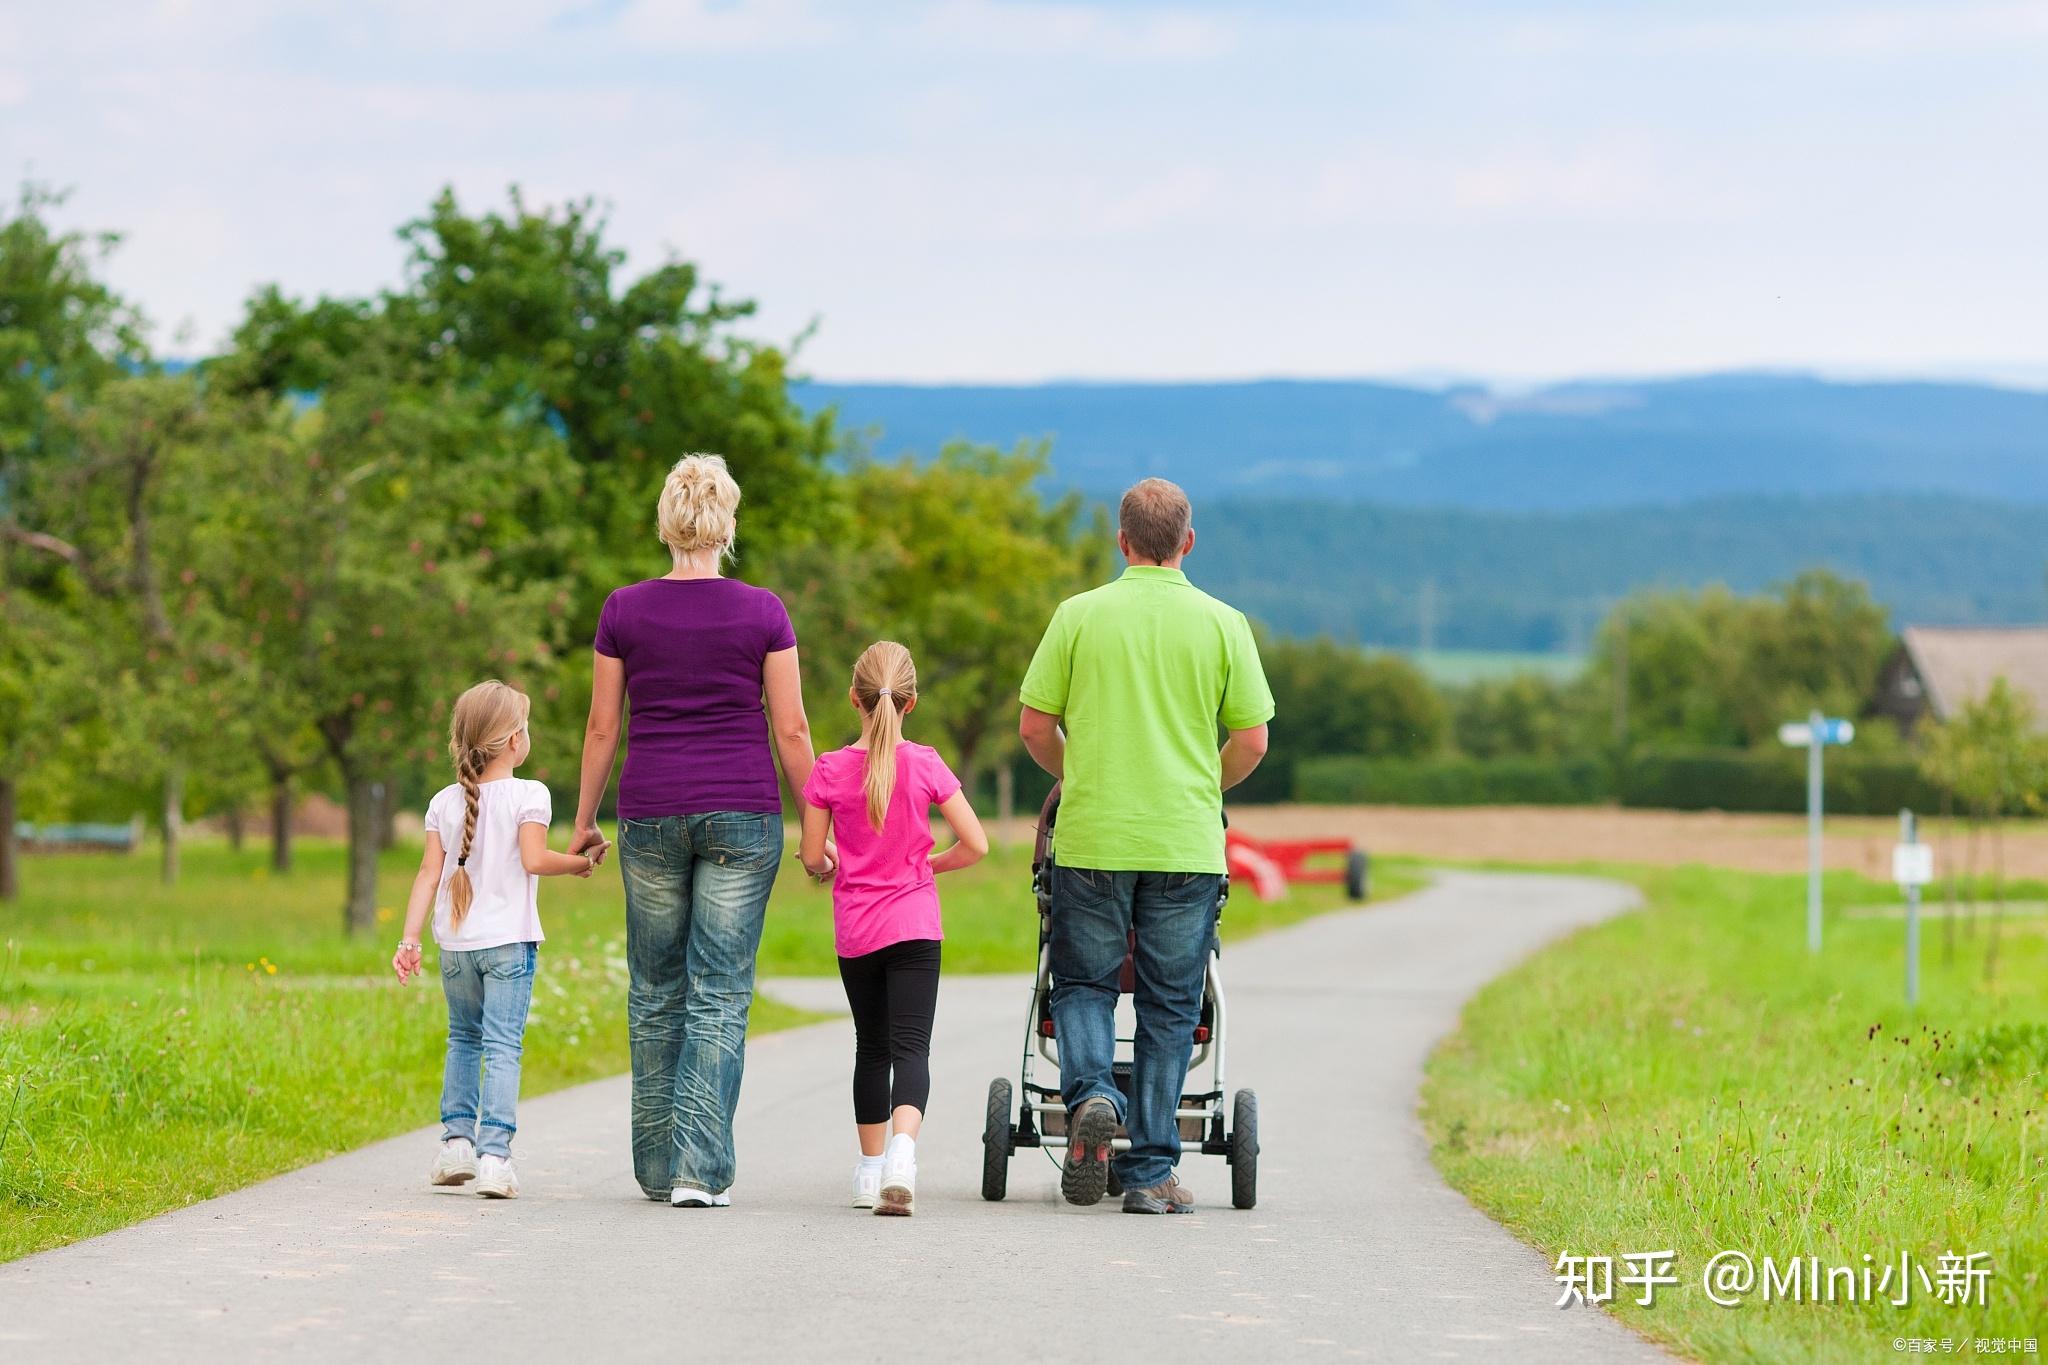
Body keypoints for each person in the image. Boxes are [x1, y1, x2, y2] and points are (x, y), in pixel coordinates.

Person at [570, 454, 822, 1208]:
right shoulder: (764, 611)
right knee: (719, 991)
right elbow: (793, 728)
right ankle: (697, 1170)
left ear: (665, 522)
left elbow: (601, 727)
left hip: (648, 812)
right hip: (743, 816)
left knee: (654, 991)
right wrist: (816, 821)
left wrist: (582, 820)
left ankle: (654, 1165)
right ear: (727, 523)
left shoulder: (623, 609)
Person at [1018, 477, 1273, 1214]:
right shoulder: (1224, 623)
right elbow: (1252, 740)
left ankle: (1095, 1098)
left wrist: (1083, 775)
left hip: (1095, 835)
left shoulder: (1078, 616)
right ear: (1187, 543)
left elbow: (1035, 726)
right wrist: (1205, 787)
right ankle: (1152, 1170)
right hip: (1185, 842)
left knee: (1085, 985)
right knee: (1168, 1005)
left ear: (1121, 541)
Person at [798, 641, 988, 1216]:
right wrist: (926, 864)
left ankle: (869, 1172)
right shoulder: (927, 764)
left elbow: (811, 857)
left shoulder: (828, 770)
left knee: (871, 1048)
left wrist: (837, 856)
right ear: (911, 704)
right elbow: (975, 844)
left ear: (853, 698)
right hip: (914, 924)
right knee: (912, 1049)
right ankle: (903, 1158)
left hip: (857, 930)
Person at [392, 679, 598, 1200]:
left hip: (455, 949)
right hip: (508, 944)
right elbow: (534, 860)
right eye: (525, 728)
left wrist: (409, 939)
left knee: (463, 1038)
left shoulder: (443, 801)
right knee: (503, 1045)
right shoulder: (530, 794)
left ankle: (456, 1145)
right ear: (513, 741)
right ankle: (494, 1159)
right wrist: (579, 863)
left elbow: (426, 874)